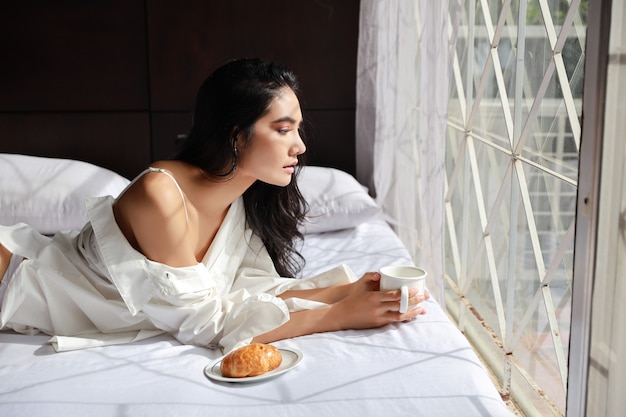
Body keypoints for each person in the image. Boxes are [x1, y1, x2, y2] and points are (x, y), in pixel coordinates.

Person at [0, 58, 428, 353]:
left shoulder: (240, 200)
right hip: (14, 278)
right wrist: (339, 315)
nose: (300, 145)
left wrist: (348, 290)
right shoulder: (160, 196)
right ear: (235, 134)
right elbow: (207, 323)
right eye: (283, 129)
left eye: (297, 128)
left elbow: (240, 295)